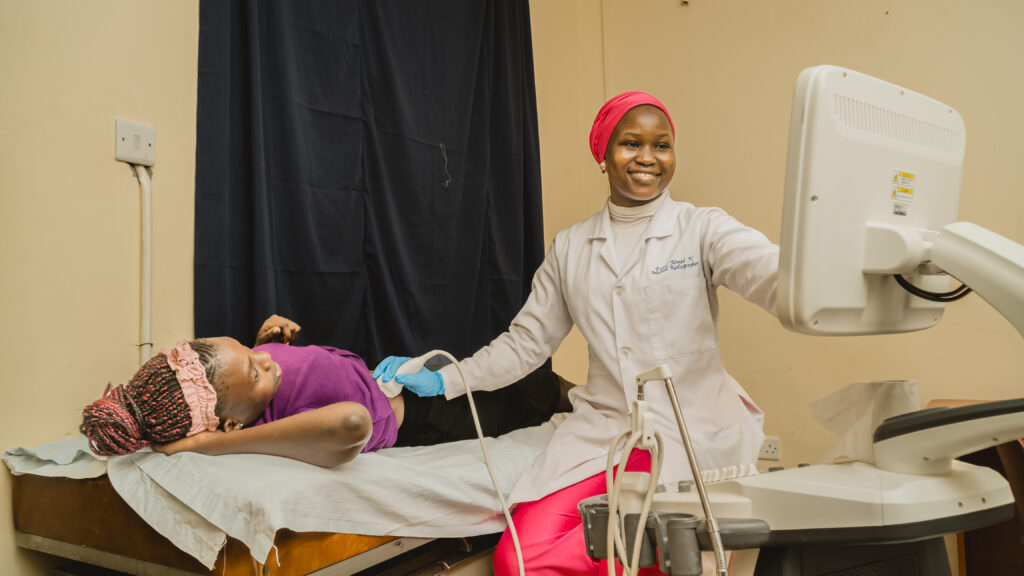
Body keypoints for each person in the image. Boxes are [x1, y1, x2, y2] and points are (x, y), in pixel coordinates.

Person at [374, 91, 779, 575]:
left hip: (687, 430)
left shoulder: (702, 228)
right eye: (631, 143)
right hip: (605, 433)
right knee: (520, 561)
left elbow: (770, 272)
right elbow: (525, 344)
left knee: (654, 551)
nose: (648, 157)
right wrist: (447, 378)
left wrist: (823, 282)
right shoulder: (571, 248)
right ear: (603, 155)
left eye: (662, 145)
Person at [80, 315, 569, 466]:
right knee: (532, 392)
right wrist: (207, 445)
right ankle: (579, 402)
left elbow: (246, 387)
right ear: (228, 424)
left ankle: (573, 395)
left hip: (398, 379)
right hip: (420, 418)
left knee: (520, 377)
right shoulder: (256, 429)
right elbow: (352, 423)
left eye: (249, 354)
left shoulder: (250, 393)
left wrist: (261, 346)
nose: (265, 362)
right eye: (255, 371)